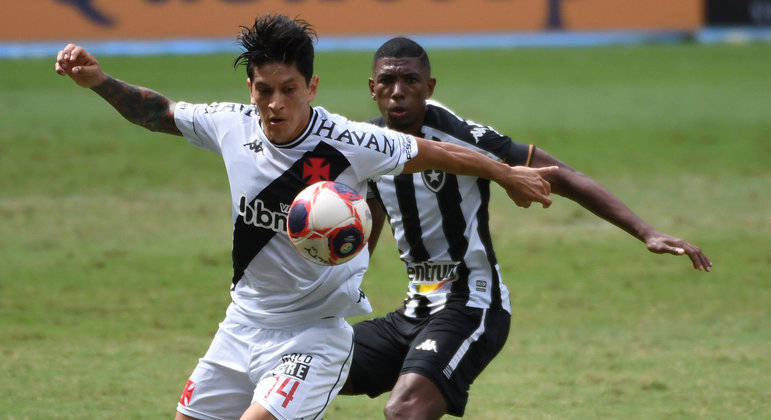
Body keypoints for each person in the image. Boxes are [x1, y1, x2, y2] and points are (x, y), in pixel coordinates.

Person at [54, 16, 557, 420]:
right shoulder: (230, 125)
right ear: (250, 87)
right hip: (240, 326)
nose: (275, 104)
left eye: (289, 89)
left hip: (313, 336)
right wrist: (99, 81)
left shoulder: (353, 141)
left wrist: (506, 173)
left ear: (312, 87)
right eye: (264, 90)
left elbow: (437, 152)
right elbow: (157, 113)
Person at [339, 37, 713, 419]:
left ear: (429, 87)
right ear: (372, 88)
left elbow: (561, 175)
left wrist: (646, 232)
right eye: (387, 81)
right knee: (314, 367)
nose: (397, 91)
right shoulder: (370, 148)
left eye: (410, 80)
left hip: (472, 305)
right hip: (415, 308)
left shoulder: (461, 136)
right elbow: (367, 226)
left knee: (404, 410)